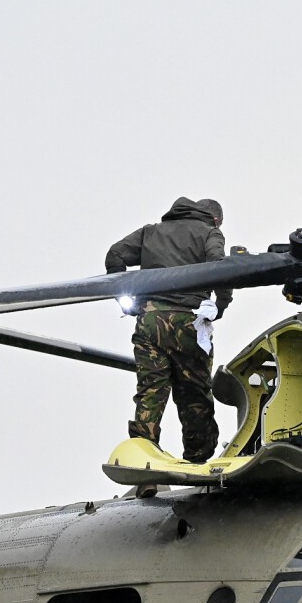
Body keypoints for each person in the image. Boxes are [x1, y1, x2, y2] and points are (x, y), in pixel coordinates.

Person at [104, 197, 232, 464]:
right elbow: (220, 267)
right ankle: (198, 461)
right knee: (194, 394)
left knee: (151, 391)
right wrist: (220, 305)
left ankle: (142, 459)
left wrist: (126, 298)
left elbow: (115, 255)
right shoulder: (210, 232)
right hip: (189, 323)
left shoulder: (151, 232)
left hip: (150, 322)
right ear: (215, 219)